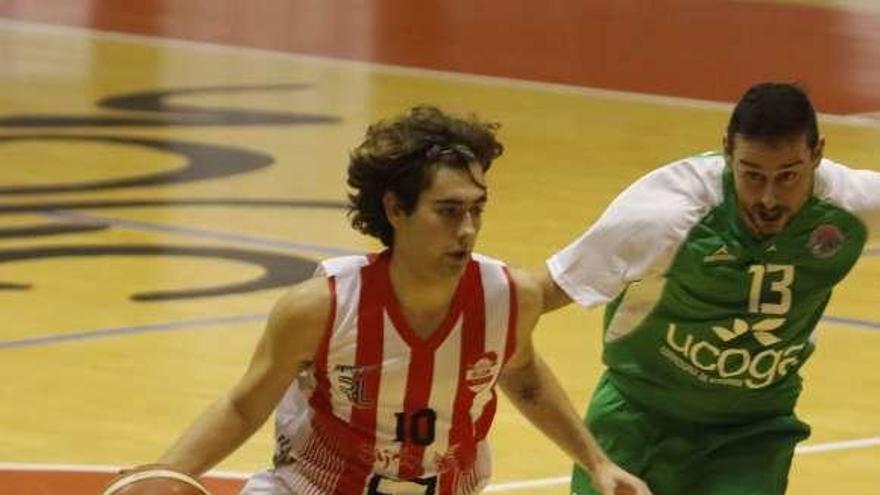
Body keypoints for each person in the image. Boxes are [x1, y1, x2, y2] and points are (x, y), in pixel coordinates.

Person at [153, 106, 651, 495]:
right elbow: (244, 407)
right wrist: (165, 472)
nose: (468, 229)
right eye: (448, 211)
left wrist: (597, 462)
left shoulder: (510, 296)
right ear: (395, 208)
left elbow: (522, 374)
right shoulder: (321, 307)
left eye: (477, 209)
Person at [538, 81, 880, 495]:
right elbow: (542, 292)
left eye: (788, 176)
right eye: (752, 175)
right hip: (640, 417)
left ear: (818, 155)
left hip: (752, 430)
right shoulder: (664, 213)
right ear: (726, 152)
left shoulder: (851, 205)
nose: (769, 198)